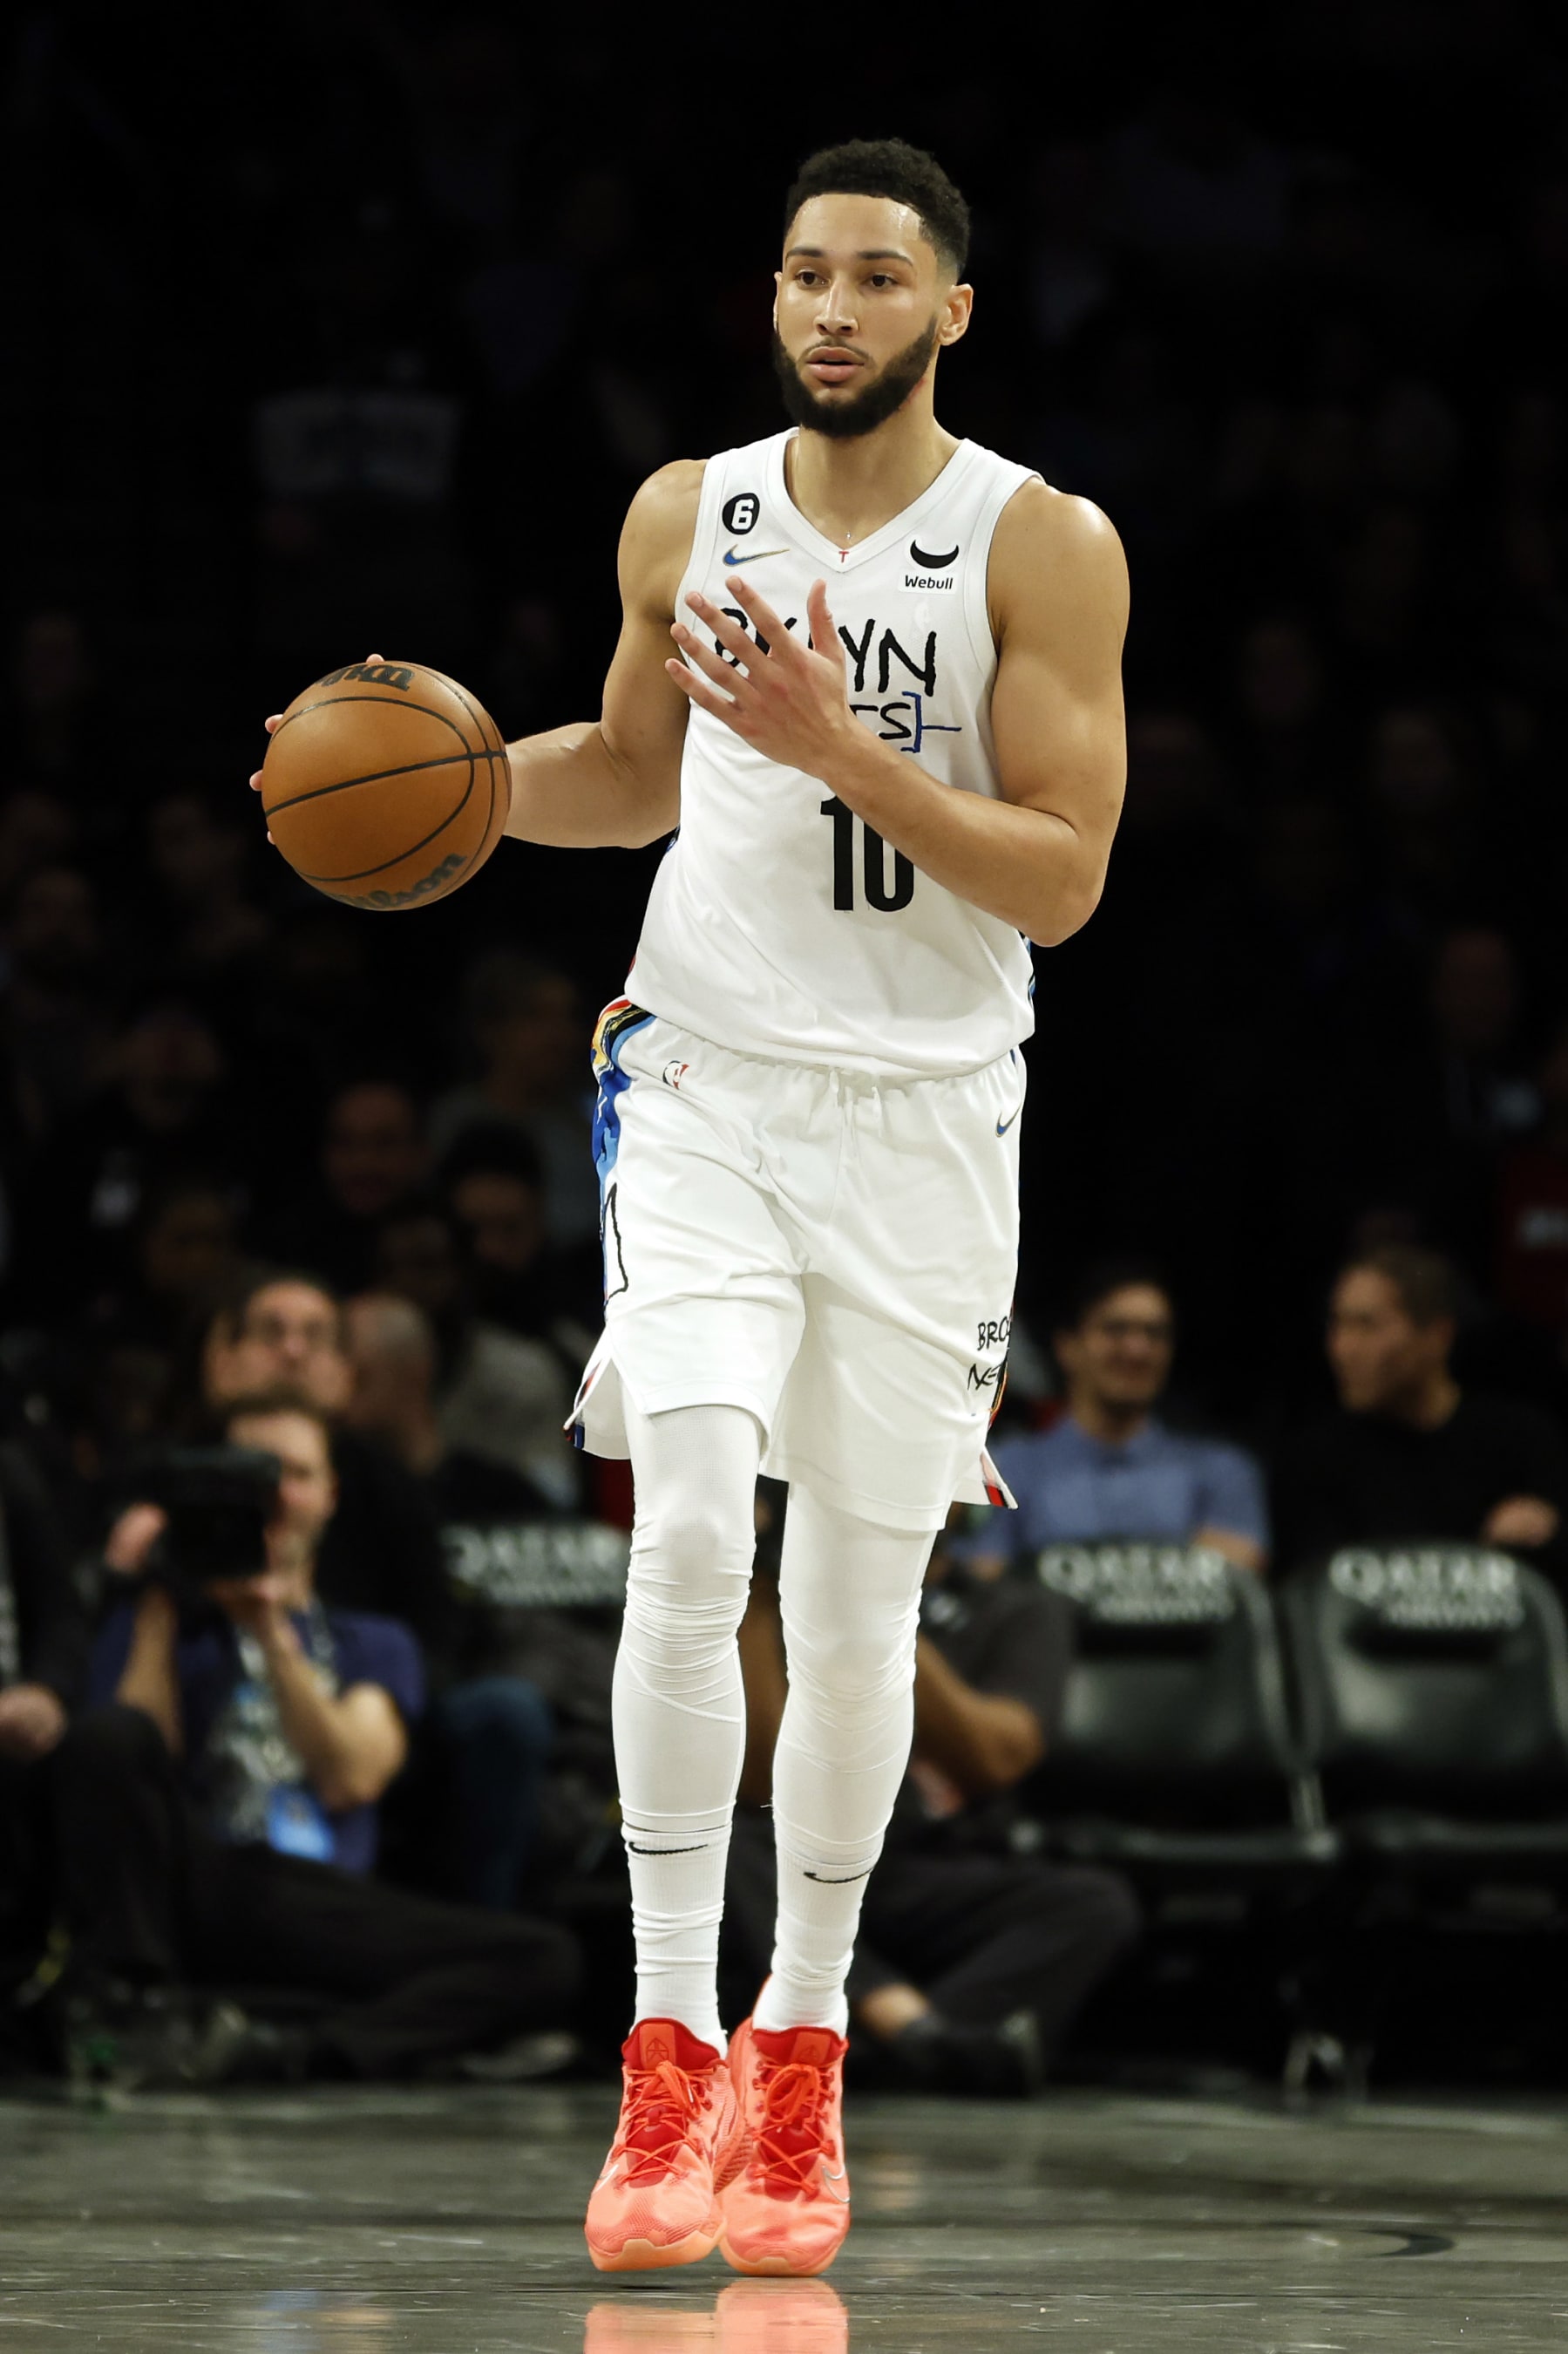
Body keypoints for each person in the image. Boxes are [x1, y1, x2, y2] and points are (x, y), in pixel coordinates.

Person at [255, 136, 1127, 2276]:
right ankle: (664, 2042)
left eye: (875, 279)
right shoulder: (689, 507)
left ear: (950, 311)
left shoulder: (1044, 541)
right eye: (802, 275)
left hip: (928, 1110)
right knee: (695, 1510)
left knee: (852, 1612)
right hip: (710, 1073)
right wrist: (452, 785)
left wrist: (843, 748)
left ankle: (801, 2044)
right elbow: (642, 770)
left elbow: (1064, 875)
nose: (831, 308)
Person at [55, 1395, 577, 2084]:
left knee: (543, 1959)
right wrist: (160, 1597)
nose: (273, 1497)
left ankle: (290, 2052)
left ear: (330, 1495)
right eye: (248, 1476)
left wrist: (269, 1625)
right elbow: (130, 1762)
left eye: (294, 1475)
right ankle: (141, 2007)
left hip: (321, 1897)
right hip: (199, 1880)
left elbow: (350, 1778)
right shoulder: (161, 1617)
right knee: (106, 1738)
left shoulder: (374, 1640)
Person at [724, 1505, 1137, 2099]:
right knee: (726, 1842)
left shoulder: (1015, 1609)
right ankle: (915, 2033)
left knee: (1093, 1903)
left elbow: (997, 1759)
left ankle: (879, 2048)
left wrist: (879, 1607)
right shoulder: (771, 1602)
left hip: (933, 1866)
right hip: (801, 1863)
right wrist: (765, 1595)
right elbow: (758, 1781)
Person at [1272, 1243, 1568, 1578]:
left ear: (1437, 1335)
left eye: (1366, 1325)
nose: (1342, 1348)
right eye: (1338, 1324)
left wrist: (1544, 1534)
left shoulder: (1521, 1440)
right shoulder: (1314, 1457)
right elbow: (1314, 1592)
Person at [968, 1262, 1270, 1576]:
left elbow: (1237, 1580)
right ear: (1067, 1346)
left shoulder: (1222, 1472)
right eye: (1115, 1330)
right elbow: (982, 1588)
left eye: (1154, 1334)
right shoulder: (1006, 1470)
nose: (1137, 1350)